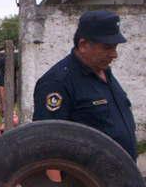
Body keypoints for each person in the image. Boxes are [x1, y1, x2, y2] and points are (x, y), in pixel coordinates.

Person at [33, 10, 137, 160]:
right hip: (86, 180)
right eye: (107, 47)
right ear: (83, 45)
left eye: (115, 47)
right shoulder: (57, 82)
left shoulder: (105, 73)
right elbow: (47, 143)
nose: (114, 55)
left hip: (120, 176)